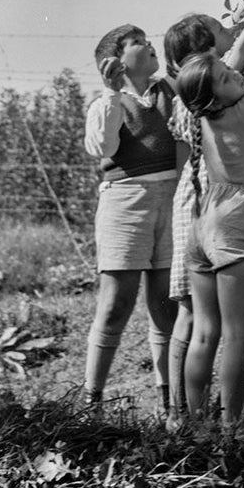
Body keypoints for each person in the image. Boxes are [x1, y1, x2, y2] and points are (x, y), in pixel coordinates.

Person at [163, 0, 244, 429]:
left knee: (204, 332)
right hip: (236, 220)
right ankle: (232, 428)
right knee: (237, 336)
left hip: (201, 222)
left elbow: (236, 56)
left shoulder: (198, 105)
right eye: (227, 71)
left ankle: (191, 422)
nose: (234, 70)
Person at [84, 24, 182, 412]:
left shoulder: (170, 90)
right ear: (116, 61)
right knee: (116, 302)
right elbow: (104, 147)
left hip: (173, 199)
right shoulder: (106, 103)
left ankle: (169, 401)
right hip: (126, 202)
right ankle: (91, 400)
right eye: (137, 42)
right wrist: (110, 94)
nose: (149, 44)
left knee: (165, 302)